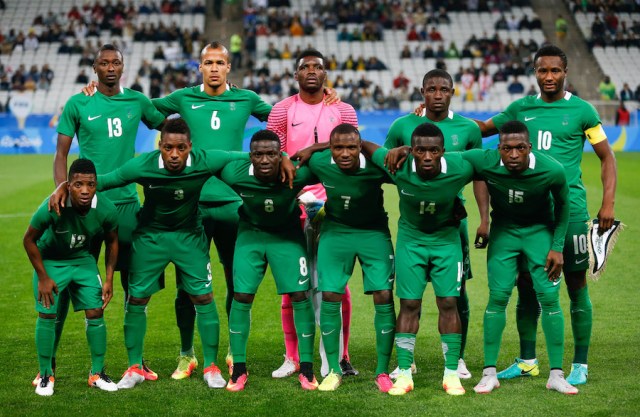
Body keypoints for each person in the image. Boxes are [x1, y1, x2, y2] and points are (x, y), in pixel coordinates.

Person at [476, 44, 617, 386]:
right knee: (526, 287)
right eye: (543, 70)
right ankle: (527, 361)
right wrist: (433, 119)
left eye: (555, 70)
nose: (549, 76)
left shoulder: (582, 111)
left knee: (576, 284)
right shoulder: (520, 108)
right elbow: (479, 130)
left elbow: (607, 157)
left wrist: (608, 203)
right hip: (532, 215)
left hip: (570, 213)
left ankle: (580, 364)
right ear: (534, 72)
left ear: (565, 72)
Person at [77, 119, 246, 390]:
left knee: (203, 296)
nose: (175, 154)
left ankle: (211, 366)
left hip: (189, 236)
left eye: (181, 148)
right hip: (150, 237)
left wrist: (283, 157)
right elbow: (106, 180)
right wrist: (66, 186)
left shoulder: (205, 160)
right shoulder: (143, 164)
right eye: (168, 148)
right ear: (160, 146)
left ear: (191, 147)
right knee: (137, 298)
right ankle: (134, 367)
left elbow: (250, 156)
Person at [44, 44, 165, 385]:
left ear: (123, 67)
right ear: (94, 67)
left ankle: (135, 362)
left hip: (126, 205)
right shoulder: (79, 102)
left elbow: (169, 126)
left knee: (133, 284)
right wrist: (61, 189)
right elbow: (60, 153)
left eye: (116, 63)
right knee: (67, 284)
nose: (110, 68)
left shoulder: (138, 101)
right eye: (104, 63)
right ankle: (47, 367)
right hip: (84, 207)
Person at [386, 69, 489, 381]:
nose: (438, 95)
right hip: (415, 221)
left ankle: (456, 359)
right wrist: (403, 150)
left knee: (456, 293)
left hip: (452, 222)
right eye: (431, 89)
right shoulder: (402, 126)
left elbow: (479, 173)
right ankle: (407, 361)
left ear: (452, 92)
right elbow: (388, 163)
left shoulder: (468, 128)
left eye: (444, 89)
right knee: (406, 295)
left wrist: (485, 218)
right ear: (422, 92)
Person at [463, 121, 577, 395]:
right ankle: (489, 374)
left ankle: (557, 375)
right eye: (507, 148)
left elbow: (563, 207)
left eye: (519, 148)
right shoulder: (485, 160)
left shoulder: (552, 169)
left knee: (549, 299)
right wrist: (405, 149)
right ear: (498, 147)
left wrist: (557, 247)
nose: (513, 154)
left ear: (529, 147)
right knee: (498, 297)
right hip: (505, 232)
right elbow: (444, 155)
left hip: (540, 232)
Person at [362, 123, 475, 396]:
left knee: (449, 302)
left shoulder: (461, 165)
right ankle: (403, 373)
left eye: (433, 151)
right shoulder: (399, 165)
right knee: (409, 304)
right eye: (420, 150)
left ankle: (451, 374)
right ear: (412, 151)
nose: (427, 156)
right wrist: (394, 150)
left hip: (446, 243)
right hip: (411, 243)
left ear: (443, 152)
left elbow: (497, 163)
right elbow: (363, 144)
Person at [267, 49, 359, 379]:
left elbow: (352, 151)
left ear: (325, 74)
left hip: (330, 204)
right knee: (295, 282)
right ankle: (292, 357)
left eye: (317, 67)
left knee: (334, 282)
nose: (310, 71)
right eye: (304, 66)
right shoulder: (282, 110)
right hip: (295, 203)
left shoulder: (343, 109)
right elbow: (271, 153)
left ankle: (341, 355)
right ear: (295, 75)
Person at [221, 130, 319, 392]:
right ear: (251, 156)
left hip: (286, 237)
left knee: (300, 295)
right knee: (241, 296)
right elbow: (206, 157)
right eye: (259, 154)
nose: (265, 160)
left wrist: (292, 156)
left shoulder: (297, 174)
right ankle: (239, 369)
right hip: (250, 237)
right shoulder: (235, 174)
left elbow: (339, 154)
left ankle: (307, 369)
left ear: (280, 155)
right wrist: (282, 155)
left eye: (272, 154)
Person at [303, 124, 396, 392]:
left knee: (383, 295)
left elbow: (407, 176)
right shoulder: (320, 162)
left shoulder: (375, 165)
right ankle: (333, 370)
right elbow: (293, 178)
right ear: (330, 149)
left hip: (373, 233)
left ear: (360, 147)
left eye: (351, 147)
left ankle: (382, 371)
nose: (345, 153)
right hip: (335, 232)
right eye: (338, 148)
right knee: (330, 295)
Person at [25, 159, 119, 396]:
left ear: (96, 185)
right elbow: (29, 240)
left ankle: (97, 373)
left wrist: (109, 279)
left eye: (90, 184)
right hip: (51, 260)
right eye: (78, 184)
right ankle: (46, 374)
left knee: (96, 310)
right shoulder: (54, 204)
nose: (85, 190)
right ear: (68, 185)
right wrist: (43, 277)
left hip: (82, 260)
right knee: (47, 312)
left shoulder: (106, 208)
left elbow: (113, 241)